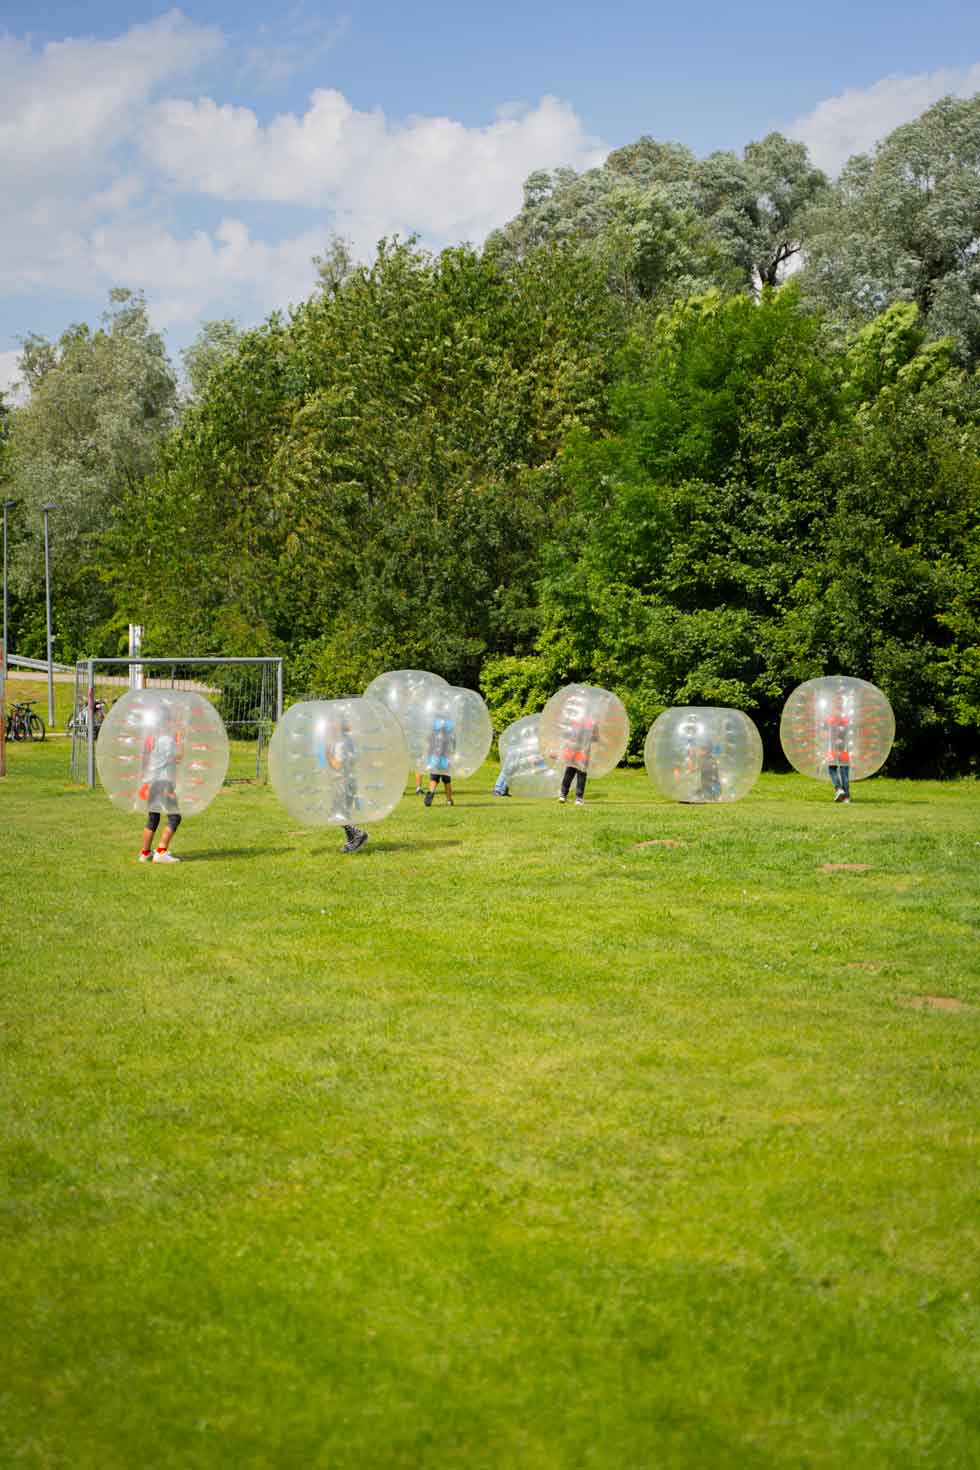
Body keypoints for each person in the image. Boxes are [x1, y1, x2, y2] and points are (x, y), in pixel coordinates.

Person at [137, 706, 182, 863]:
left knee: (153, 817)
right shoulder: (168, 740)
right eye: (172, 720)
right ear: (167, 722)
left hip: (152, 782)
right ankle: (161, 851)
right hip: (164, 782)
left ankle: (145, 853)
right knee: (175, 817)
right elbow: (178, 756)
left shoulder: (154, 739)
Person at [323, 715, 369, 852]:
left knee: (337, 814)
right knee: (344, 813)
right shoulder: (349, 740)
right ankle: (351, 842)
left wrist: (328, 755)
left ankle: (358, 834)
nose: (330, 726)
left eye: (332, 723)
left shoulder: (340, 744)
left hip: (341, 782)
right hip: (350, 780)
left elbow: (338, 765)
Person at [557, 711, 598, 806]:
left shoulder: (574, 721)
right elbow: (595, 740)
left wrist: (563, 749)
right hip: (583, 752)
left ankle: (563, 794)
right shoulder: (592, 723)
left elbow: (565, 736)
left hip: (572, 750)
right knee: (581, 775)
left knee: (569, 772)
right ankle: (578, 798)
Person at [825, 693, 853, 804]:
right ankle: (846, 797)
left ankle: (839, 789)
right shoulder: (846, 716)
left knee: (832, 769)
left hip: (833, 747)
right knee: (844, 771)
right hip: (845, 748)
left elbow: (830, 734)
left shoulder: (831, 717)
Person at [423, 714, 455, 807]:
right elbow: (453, 748)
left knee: (433, 779)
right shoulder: (450, 736)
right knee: (447, 781)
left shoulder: (432, 735)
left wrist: (428, 759)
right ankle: (449, 800)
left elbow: (429, 748)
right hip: (445, 760)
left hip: (434, 759)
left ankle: (430, 795)